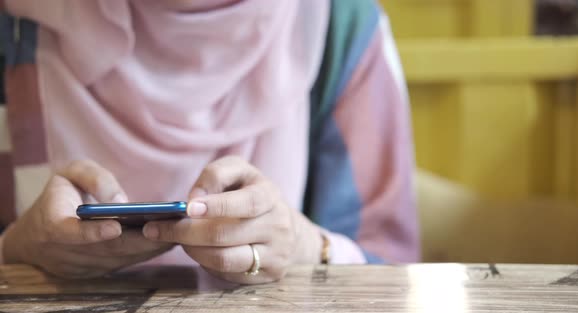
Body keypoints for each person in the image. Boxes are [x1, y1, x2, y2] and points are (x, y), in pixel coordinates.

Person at [0, 0, 419, 284]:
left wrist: (309, 246)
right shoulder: (17, 21)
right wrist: (15, 248)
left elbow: (398, 277)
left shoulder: (340, 23)